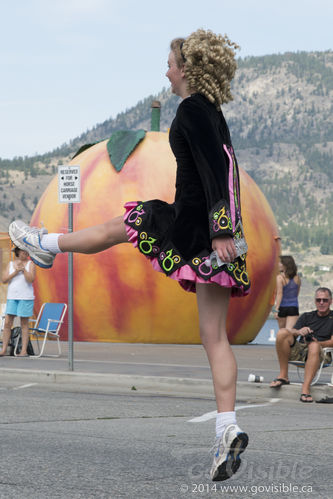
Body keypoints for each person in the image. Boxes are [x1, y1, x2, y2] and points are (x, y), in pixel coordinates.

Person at [8, 29, 250, 481]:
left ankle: (46, 245)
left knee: (123, 225)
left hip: (193, 227)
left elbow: (219, 171)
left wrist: (218, 230)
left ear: (189, 68)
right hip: (216, 234)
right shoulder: (212, 112)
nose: (167, 71)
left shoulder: (193, 109)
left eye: (172, 63)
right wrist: (229, 232)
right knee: (213, 337)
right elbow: (230, 170)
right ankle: (226, 429)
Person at [270, 287, 333, 402]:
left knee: (313, 346)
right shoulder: (307, 316)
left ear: (331, 301)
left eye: (325, 300)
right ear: (315, 301)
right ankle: (283, 375)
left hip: (322, 352)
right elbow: (292, 331)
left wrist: (317, 343)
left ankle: (305, 389)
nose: (321, 303)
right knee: (282, 333)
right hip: (302, 350)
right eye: (318, 300)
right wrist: (300, 331)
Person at [0, 247, 36, 357]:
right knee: (7, 323)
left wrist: (24, 270)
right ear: (18, 252)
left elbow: (31, 279)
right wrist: (16, 271)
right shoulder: (11, 264)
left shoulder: (31, 264)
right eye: (22, 250)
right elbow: (4, 280)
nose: (25, 252)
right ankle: (4, 349)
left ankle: (23, 351)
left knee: (24, 323)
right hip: (12, 297)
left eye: (26, 250)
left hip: (26, 297)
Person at [273, 255, 301, 329]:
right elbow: (296, 294)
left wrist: (276, 310)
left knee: (282, 333)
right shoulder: (297, 278)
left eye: (280, 263)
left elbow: (279, 294)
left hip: (282, 307)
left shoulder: (279, 278)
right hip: (293, 307)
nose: (278, 264)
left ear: (286, 265)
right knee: (290, 333)